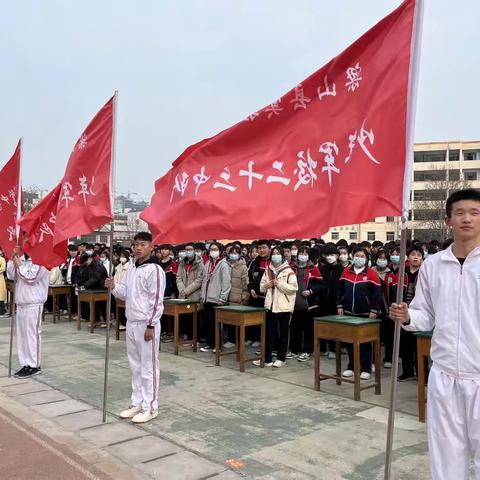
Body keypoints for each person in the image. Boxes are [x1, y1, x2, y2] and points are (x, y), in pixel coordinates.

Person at [390, 189, 480, 480]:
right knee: (445, 453)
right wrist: (408, 316)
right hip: (444, 375)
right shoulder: (434, 265)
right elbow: (425, 313)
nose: (467, 218)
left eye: (474, 213)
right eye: (460, 212)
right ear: (448, 220)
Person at [106, 232, 166, 424]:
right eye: (135, 245)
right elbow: (125, 293)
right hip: (131, 322)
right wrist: (113, 286)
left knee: (149, 366)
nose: (138, 248)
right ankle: (137, 402)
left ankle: (151, 406)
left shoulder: (155, 270)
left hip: (147, 324)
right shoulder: (132, 268)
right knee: (135, 365)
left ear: (151, 247)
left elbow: (156, 300)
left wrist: (151, 324)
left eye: (142, 244)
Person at [337, 247, 382, 380]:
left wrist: (374, 309)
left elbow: (377, 294)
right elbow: (340, 290)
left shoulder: (372, 274)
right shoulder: (346, 271)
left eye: (362, 256)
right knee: (350, 341)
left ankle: (366, 368)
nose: (359, 258)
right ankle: (351, 366)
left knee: (365, 343)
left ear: (367, 258)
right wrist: (339, 305)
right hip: (349, 312)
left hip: (365, 314)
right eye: (357, 255)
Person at [7, 250, 49, 378]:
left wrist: (19, 265)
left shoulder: (43, 259)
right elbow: (11, 275)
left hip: (34, 303)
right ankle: (25, 363)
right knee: (23, 335)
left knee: (32, 334)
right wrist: (12, 259)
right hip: (21, 302)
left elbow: (32, 278)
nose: (26, 241)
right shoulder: (22, 258)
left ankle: (34, 365)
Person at [254, 246, 298, 368]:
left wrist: (279, 284)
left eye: (278, 253)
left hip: (284, 307)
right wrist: (267, 285)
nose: (276, 256)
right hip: (270, 306)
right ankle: (267, 358)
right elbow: (261, 287)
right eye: (274, 253)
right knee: (269, 333)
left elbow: (294, 288)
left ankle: (281, 357)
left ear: (282, 256)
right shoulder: (268, 270)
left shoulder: (288, 271)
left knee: (283, 333)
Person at [289, 246, 322, 362]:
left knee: (308, 329)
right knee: (294, 329)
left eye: (305, 253)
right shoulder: (292, 267)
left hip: (309, 304)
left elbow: (320, 285)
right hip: (294, 303)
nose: (303, 255)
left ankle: (307, 350)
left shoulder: (313, 268)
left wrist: (311, 291)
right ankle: (294, 350)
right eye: (301, 253)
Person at [397, 246, 424, 381]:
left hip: (420, 312)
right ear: (408, 257)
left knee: (419, 344)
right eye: (413, 254)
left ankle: (422, 373)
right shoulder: (402, 272)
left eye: (419, 255)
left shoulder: (425, 273)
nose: (415, 257)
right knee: (405, 344)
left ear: (422, 258)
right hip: (404, 312)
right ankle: (407, 371)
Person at [199, 242, 231, 352]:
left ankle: (217, 345)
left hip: (217, 298)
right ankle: (210, 343)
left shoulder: (223, 264)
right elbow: (204, 280)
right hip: (207, 297)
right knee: (208, 323)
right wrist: (203, 295)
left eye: (215, 249)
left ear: (220, 251)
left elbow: (226, 283)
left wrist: (223, 297)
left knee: (216, 324)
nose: (213, 251)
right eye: (211, 249)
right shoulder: (208, 263)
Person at [317, 244, 344, 359]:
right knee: (323, 325)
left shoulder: (342, 269)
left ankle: (333, 348)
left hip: (336, 302)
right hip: (322, 301)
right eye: (327, 255)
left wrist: (340, 302)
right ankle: (322, 347)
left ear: (337, 256)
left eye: (332, 254)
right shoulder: (321, 269)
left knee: (335, 326)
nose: (329, 257)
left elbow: (342, 287)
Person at [247, 239, 271, 347]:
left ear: (269, 249)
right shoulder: (255, 262)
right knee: (252, 318)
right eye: (259, 248)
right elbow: (250, 277)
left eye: (264, 248)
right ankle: (252, 337)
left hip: (268, 296)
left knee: (266, 320)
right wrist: (251, 288)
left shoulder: (273, 262)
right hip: (255, 296)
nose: (261, 250)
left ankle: (262, 340)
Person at [114, 249, 133, 331]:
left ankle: (125, 323)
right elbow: (115, 276)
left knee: (125, 307)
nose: (122, 258)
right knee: (119, 307)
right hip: (118, 287)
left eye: (124, 257)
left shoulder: (130, 266)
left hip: (126, 288)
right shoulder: (118, 267)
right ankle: (121, 322)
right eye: (121, 256)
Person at [0, 248, 8, 317]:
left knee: (1, 295)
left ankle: (2, 310)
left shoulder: (2, 259)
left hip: (0, 278)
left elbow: (3, 268)